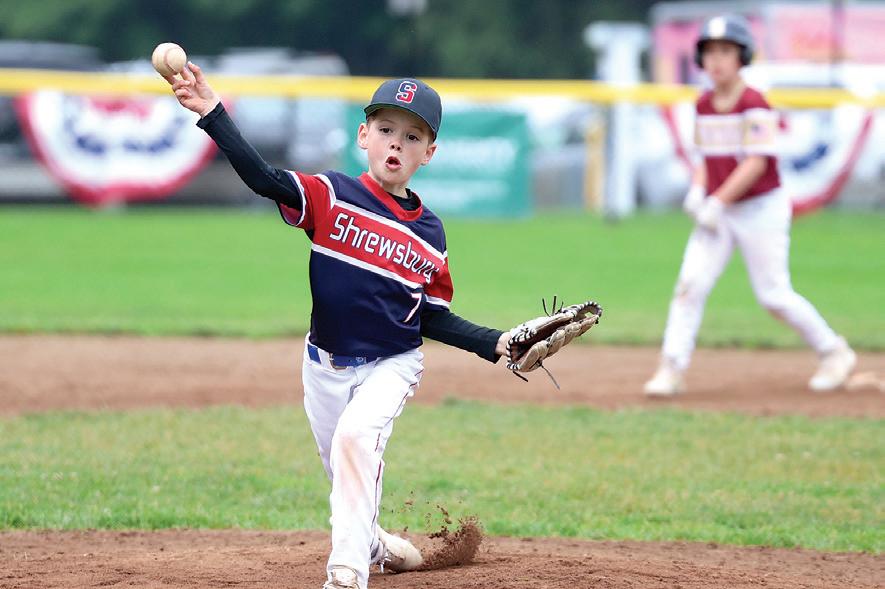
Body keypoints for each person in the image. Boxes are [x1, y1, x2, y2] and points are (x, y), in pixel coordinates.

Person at [165, 66, 510, 589]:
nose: (396, 144)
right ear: (363, 135)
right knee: (347, 475)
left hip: (392, 363)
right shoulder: (332, 195)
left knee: (355, 437)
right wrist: (212, 111)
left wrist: (496, 342)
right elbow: (263, 179)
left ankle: (346, 572)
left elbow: (429, 315)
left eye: (412, 136)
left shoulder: (431, 234)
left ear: (429, 153)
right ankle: (376, 546)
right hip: (322, 366)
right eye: (386, 130)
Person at [644, 15, 856, 397]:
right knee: (690, 285)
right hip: (720, 210)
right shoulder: (704, 104)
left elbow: (756, 162)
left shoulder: (754, 102)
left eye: (726, 51)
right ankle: (671, 368)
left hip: (760, 208)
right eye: (710, 51)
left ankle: (834, 352)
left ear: (742, 56)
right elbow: (706, 158)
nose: (717, 60)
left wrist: (716, 199)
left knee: (773, 295)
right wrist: (699, 189)